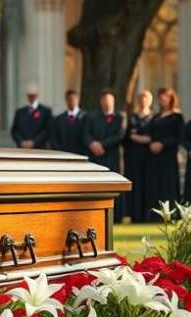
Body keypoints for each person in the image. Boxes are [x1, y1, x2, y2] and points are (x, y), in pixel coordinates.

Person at [83, 89, 125, 221]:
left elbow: (120, 135)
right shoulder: (92, 117)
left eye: (109, 100)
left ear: (113, 101)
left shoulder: (120, 117)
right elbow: (85, 134)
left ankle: (116, 215)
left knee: (113, 184)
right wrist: (92, 144)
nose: (107, 102)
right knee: (97, 185)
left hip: (112, 156)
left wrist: (102, 145)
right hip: (96, 157)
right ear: (101, 102)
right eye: (104, 100)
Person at [145, 87, 184, 217]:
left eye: (165, 96)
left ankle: (171, 214)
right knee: (156, 183)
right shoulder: (155, 117)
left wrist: (163, 144)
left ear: (171, 98)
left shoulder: (177, 116)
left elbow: (179, 137)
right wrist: (152, 144)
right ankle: (155, 214)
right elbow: (150, 133)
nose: (162, 98)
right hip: (154, 156)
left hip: (169, 154)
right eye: (160, 96)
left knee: (169, 183)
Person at [123, 90, 154, 222]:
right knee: (135, 185)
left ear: (150, 101)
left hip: (150, 157)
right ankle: (135, 214)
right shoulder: (132, 118)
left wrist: (141, 138)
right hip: (133, 157)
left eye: (146, 98)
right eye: (141, 98)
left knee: (148, 184)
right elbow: (127, 137)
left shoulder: (153, 118)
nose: (143, 101)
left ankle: (147, 214)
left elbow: (154, 136)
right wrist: (141, 138)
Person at [10, 82, 53, 149]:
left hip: (40, 149)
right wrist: (21, 142)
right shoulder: (20, 112)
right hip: (23, 149)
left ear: (37, 95)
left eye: (33, 95)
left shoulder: (46, 112)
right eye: (30, 95)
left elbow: (48, 130)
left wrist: (34, 142)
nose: (32, 98)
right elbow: (14, 131)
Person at [51, 89, 87, 155]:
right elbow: (53, 138)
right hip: (62, 154)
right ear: (66, 100)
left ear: (78, 99)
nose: (72, 101)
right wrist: (59, 152)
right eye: (69, 99)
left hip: (80, 155)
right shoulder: (59, 119)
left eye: (74, 99)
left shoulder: (86, 118)